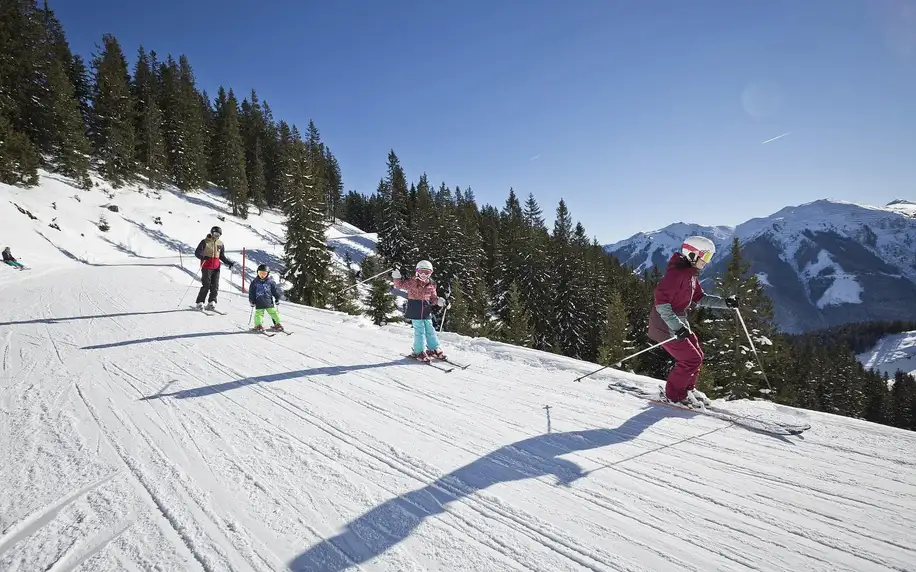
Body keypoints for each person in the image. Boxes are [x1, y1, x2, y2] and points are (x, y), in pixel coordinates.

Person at [647, 236, 738, 408]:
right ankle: (674, 395)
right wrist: (676, 327)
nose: (707, 262)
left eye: (709, 257)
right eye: (706, 256)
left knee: (697, 355)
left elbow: (700, 297)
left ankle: (687, 389)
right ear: (692, 255)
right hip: (665, 325)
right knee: (691, 359)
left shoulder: (690, 275)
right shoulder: (676, 275)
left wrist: (726, 303)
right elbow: (661, 303)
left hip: (678, 322)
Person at [392, 260, 447, 361]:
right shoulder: (412, 282)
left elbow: (433, 298)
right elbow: (399, 285)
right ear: (417, 271)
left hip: (426, 309)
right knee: (420, 331)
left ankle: (433, 349)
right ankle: (419, 351)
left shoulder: (432, 284)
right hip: (415, 309)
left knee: (430, 329)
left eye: (427, 273)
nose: (423, 275)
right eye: (421, 271)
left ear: (430, 273)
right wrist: (396, 276)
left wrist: (439, 301)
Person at [194, 226, 235, 310]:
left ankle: (211, 302)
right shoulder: (205, 242)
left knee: (215, 286)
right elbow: (197, 252)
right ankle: (200, 302)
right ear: (212, 233)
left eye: (218, 234)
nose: (216, 236)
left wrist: (228, 263)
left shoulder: (220, 243)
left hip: (216, 268)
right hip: (206, 267)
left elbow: (222, 256)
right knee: (206, 284)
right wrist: (203, 257)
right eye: (215, 234)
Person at [248, 264, 284, 331]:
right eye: (260, 273)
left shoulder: (270, 282)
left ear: (267, 274)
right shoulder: (254, 282)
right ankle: (259, 325)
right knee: (259, 314)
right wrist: (252, 301)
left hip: (268, 301)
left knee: (273, 313)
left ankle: (277, 324)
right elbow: (252, 292)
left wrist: (277, 298)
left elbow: (274, 291)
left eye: (264, 274)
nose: (262, 275)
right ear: (257, 273)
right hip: (259, 301)